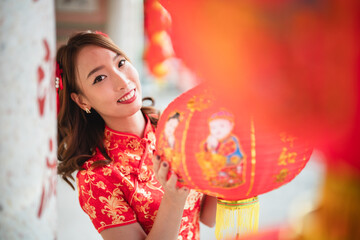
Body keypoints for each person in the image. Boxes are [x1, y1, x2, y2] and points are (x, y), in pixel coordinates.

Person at [56, 31, 216, 240]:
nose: (123, 81)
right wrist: (173, 199)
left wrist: (224, 163)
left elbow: (208, 217)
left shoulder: (174, 130)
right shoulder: (97, 178)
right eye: (100, 78)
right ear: (82, 101)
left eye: (120, 63)